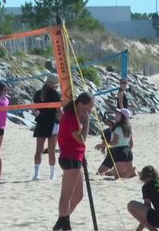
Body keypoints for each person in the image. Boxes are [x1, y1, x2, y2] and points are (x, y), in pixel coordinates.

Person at [52, 92, 95, 231]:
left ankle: (62, 220)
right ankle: (66, 224)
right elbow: (81, 140)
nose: (89, 111)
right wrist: (87, 122)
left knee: (78, 195)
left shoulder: (73, 116)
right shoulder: (71, 117)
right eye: (88, 107)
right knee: (66, 195)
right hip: (70, 157)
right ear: (81, 104)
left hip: (76, 157)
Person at [32, 74, 62, 180]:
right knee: (51, 150)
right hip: (52, 123)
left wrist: (40, 115)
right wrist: (64, 121)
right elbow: (58, 111)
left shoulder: (39, 93)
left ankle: (36, 174)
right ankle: (52, 174)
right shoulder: (55, 94)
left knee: (39, 150)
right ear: (54, 85)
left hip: (41, 122)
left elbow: (34, 109)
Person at [95, 108, 136, 179]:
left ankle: (130, 171)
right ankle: (131, 171)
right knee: (131, 176)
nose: (116, 114)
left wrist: (102, 145)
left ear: (122, 116)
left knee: (118, 176)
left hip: (119, 151)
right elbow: (131, 144)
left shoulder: (118, 128)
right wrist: (126, 150)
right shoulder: (129, 128)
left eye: (118, 113)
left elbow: (114, 142)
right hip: (128, 151)